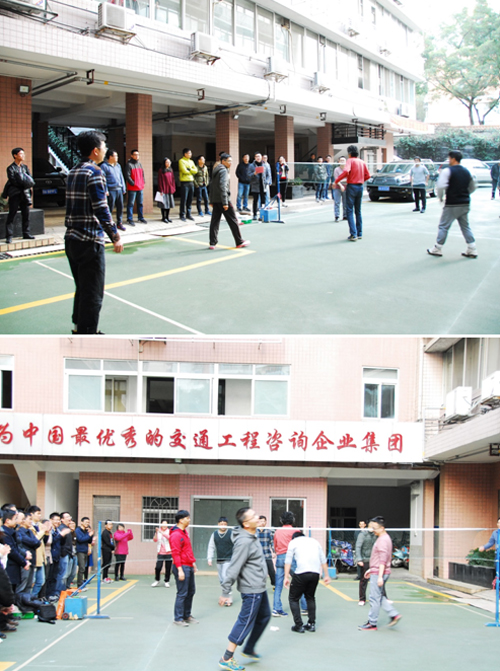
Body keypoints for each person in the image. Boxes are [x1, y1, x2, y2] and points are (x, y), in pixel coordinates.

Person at [64, 130, 124, 335]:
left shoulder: (73, 171)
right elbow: (101, 209)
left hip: (72, 239)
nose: (106, 149)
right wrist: (115, 236)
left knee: (82, 288)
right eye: (104, 146)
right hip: (89, 240)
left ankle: (77, 328)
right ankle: (88, 334)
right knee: (93, 292)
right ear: (95, 151)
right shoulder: (95, 172)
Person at [218, 507, 270, 671]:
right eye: (254, 516)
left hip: (259, 587)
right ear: (246, 524)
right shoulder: (244, 542)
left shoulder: (252, 536)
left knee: (265, 616)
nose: (258, 517)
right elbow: (234, 567)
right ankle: (227, 657)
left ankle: (249, 648)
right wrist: (225, 591)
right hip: (252, 589)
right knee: (245, 621)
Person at [427, 150, 477, 259]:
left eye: (449, 158)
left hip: (452, 204)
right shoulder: (467, 171)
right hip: (465, 203)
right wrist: (465, 194)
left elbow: (441, 186)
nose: (448, 160)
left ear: (453, 159)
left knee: (443, 226)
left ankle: (437, 248)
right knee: (465, 226)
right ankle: (472, 248)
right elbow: (473, 186)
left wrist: (440, 197)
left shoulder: (447, 171)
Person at [358, 516, 401, 631]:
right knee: (379, 596)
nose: (373, 530)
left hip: (379, 573)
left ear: (382, 528)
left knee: (374, 598)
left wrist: (380, 576)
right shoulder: (385, 538)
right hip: (378, 571)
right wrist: (371, 569)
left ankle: (372, 623)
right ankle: (394, 614)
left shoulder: (382, 540)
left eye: (375, 528)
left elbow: (382, 560)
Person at [284, 531, 330, 633]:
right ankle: (311, 624)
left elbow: (288, 560)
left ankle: (298, 625)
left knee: (293, 598)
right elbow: (323, 559)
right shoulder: (315, 541)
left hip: (301, 573)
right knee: (310, 597)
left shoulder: (293, 542)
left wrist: (286, 577)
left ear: (294, 538)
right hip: (315, 574)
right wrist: (326, 575)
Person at [208, 153, 250, 250]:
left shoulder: (216, 170)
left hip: (216, 200)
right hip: (223, 200)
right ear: (223, 161)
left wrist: (212, 200)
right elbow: (223, 186)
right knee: (233, 220)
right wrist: (225, 202)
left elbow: (212, 185)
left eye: (231, 161)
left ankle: (212, 243)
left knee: (215, 221)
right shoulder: (223, 171)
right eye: (229, 161)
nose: (230, 163)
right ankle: (239, 241)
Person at [334, 145, 371, 241]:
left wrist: (336, 181)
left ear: (349, 153)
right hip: (360, 187)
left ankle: (353, 234)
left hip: (351, 186)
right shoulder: (362, 162)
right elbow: (368, 175)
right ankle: (359, 233)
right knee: (358, 211)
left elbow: (346, 171)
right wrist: (361, 179)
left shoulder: (350, 161)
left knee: (349, 210)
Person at [169, 510, 198, 626]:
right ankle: (178, 618)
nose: (189, 520)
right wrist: (180, 570)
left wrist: (193, 563)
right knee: (182, 593)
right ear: (181, 520)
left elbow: (187, 550)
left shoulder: (184, 533)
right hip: (181, 566)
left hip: (188, 565)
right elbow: (175, 553)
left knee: (191, 591)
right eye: (187, 518)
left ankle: (187, 615)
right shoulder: (176, 535)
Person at [3, 147, 35, 244]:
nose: (23, 155)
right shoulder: (10, 168)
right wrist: (24, 182)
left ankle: (26, 233)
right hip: (15, 194)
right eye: (21, 154)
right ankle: (9, 236)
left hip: (25, 194)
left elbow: (30, 180)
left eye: (23, 154)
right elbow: (13, 181)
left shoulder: (25, 167)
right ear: (15, 155)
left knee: (26, 214)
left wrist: (24, 181)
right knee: (12, 214)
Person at [272, 510, 296, 617]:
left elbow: (275, 545)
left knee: (278, 585)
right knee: (300, 581)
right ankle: (305, 607)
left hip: (280, 558)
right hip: (292, 558)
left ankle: (276, 609)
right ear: (292, 520)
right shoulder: (295, 531)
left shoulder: (277, 531)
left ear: (281, 520)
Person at [208, 517, 234, 604]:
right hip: (219, 559)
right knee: (221, 579)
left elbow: (236, 545)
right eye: (221, 524)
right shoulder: (214, 534)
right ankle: (225, 594)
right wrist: (209, 558)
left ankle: (228, 597)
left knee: (225, 577)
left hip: (229, 559)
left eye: (225, 524)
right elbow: (211, 546)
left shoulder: (231, 533)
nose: (223, 526)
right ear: (218, 524)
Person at [100, 149, 127, 231]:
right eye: (115, 156)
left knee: (120, 207)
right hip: (111, 190)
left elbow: (121, 176)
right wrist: (106, 190)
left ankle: (119, 223)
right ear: (110, 157)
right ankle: (108, 224)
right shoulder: (104, 166)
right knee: (110, 207)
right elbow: (103, 179)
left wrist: (123, 187)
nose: (117, 157)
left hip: (119, 189)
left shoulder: (118, 166)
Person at [355, 522, 376, 606]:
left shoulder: (376, 535)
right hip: (365, 560)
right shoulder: (362, 534)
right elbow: (358, 547)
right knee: (364, 580)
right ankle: (362, 599)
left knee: (377, 579)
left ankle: (380, 598)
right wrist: (359, 559)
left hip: (375, 560)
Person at [126, 149, 147, 225]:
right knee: (131, 204)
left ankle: (140, 217)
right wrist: (133, 183)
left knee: (140, 203)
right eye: (135, 155)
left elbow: (142, 174)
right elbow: (127, 176)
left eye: (138, 155)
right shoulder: (129, 164)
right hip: (132, 188)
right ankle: (129, 219)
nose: (137, 156)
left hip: (140, 187)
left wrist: (143, 182)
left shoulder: (139, 164)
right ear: (131, 155)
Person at [178, 148, 198, 222]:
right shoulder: (181, 161)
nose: (190, 154)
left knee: (190, 199)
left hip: (191, 181)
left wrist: (189, 169)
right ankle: (182, 214)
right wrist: (190, 170)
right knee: (184, 199)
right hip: (184, 182)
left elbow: (196, 170)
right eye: (189, 153)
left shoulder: (191, 161)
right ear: (185, 154)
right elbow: (184, 171)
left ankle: (188, 214)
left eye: (190, 153)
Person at [151, 519, 172, 587]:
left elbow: (170, 538)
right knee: (158, 567)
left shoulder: (169, 531)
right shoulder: (158, 531)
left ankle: (166, 581)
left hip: (168, 552)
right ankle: (157, 580)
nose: (164, 525)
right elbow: (155, 540)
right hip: (160, 552)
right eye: (163, 524)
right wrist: (157, 533)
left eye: (166, 524)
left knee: (168, 568)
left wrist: (161, 532)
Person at [75, 517, 94, 589]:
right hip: (80, 551)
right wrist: (89, 535)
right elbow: (80, 539)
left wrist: (90, 535)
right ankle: (80, 585)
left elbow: (89, 541)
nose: (87, 524)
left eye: (88, 522)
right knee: (82, 568)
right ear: (81, 522)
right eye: (86, 522)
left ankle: (82, 583)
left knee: (84, 567)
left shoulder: (86, 531)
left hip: (85, 550)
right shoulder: (78, 530)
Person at [257, 515, 275, 586]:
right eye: (260, 521)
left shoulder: (268, 531)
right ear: (258, 522)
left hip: (267, 555)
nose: (262, 523)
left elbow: (272, 542)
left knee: (272, 571)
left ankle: (274, 584)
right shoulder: (254, 532)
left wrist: (274, 552)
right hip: (257, 556)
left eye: (263, 521)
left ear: (266, 522)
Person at [157, 157, 176, 223]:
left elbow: (173, 179)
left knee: (169, 204)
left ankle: (167, 217)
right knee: (163, 204)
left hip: (169, 189)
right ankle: (163, 217)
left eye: (169, 162)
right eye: (167, 162)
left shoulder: (171, 170)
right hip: (164, 189)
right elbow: (159, 180)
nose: (168, 163)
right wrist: (161, 189)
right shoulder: (161, 170)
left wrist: (173, 187)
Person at [249, 153, 266, 221]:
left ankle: (263, 215)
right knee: (255, 200)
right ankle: (255, 214)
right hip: (255, 185)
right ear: (254, 158)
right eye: (256, 156)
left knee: (263, 201)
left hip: (263, 185)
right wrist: (254, 173)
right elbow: (248, 175)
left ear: (261, 157)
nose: (258, 158)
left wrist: (267, 181)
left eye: (259, 156)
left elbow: (268, 174)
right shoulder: (251, 166)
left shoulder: (264, 164)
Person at [332, 156, 347, 221]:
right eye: (341, 160)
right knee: (337, 202)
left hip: (346, 187)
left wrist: (341, 180)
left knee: (345, 202)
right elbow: (336, 179)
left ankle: (345, 216)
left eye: (343, 160)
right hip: (337, 187)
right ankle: (337, 216)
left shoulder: (348, 169)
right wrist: (341, 185)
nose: (342, 161)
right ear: (339, 161)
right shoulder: (336, 169)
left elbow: (348, 179)